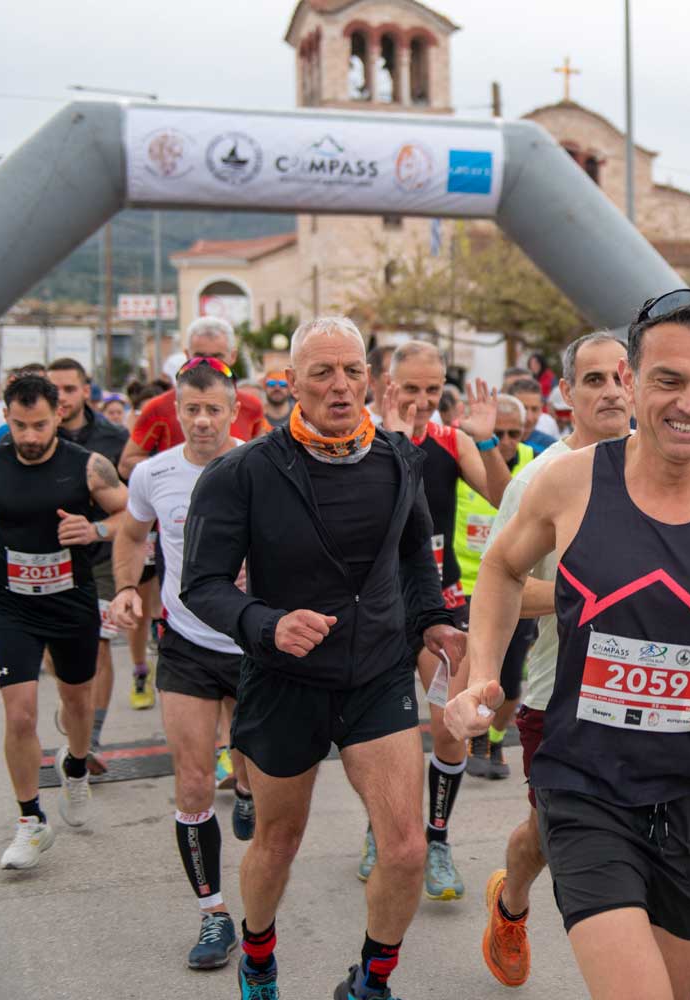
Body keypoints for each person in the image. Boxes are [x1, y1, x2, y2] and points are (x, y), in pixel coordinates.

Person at [443, 288, 690, 1000]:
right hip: (584, 783)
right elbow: (500, 569)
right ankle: (516, 901)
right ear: (631, 379)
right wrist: (480, 675)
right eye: (669, 380)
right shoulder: (567, 482)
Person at [179, 316, 465, 1000]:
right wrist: (267, 624)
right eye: (322, 373)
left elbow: (413, 553)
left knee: (405, 847)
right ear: (292, 383)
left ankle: (371, 982)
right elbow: (202, 585)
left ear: (369, 379)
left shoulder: (398, 458)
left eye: (352, 372)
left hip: (377, 675)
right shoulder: (241, 472)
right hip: (286, 679)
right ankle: (258, 956)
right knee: (278, 841)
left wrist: (431, 619)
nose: (340, 386)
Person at [476, 330, 632, 987]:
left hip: (648, 692)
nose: (612, 392)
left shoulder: (667, 468)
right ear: (565, 393)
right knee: (549, 832)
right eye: (594, 380)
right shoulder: (539, 479)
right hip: (558, 694)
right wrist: (594, 595)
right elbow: (500, 587)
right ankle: (510, 903)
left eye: (621, 377)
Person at [107, 356, 256, 969]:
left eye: (213, 409)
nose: (201, 421)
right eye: (191, 409)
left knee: (253, 768)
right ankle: (213, 914)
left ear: (233, 410)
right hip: (187, 644)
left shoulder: (262, 465)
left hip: (253, 643)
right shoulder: (153, 473)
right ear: (176, 410)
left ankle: (245, 787)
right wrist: (125, 588)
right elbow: (130, 534)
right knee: (193, 781)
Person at [0, 374, 129, 869]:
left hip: (71, 604)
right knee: (20, 714)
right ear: (7, 417)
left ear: (59, 416)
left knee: (77, 703)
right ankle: (30, 821)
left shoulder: (88, 466)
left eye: (40, 425)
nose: (29, 436)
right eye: (20, 425)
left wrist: (95, 528)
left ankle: (75, 765)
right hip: (12, 607)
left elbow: (133, 516)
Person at [355, 341, 510, 901]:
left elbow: (506, 499)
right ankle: (380, 830)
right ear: (384, 385)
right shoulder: (360, 440)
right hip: (375, 613)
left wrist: (486, 440)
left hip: (437, 609)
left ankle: (438, 840)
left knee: (450, 729)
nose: (421, 401)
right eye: (410, 388)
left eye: (432, 389)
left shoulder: (451, 440)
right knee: (378, 738)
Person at [45, 358, 130, 765]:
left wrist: (97, 529)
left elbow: (133, 507)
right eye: (55, 389)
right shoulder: (31, 433)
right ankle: (74, 703)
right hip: (47, 560)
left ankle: (91, 739)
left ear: (85, 391)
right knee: (55, 653)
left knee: (98, 645)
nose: (61, 397)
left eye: (69, 388)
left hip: (100, 558)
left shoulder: (114, 437)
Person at [453, 393, 537, 781]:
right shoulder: (464, 462)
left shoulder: (536, 463)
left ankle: (496, 737)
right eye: (497, 433)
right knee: (477, 674)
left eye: (512, 434)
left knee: (513, 682)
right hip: (467, 587)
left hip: (518, 587)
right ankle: (475, 739)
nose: (505, 441)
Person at [119, 317, 268, 477]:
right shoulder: (159, 406)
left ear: (233, 356)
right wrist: (176, 472)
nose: (208, 365)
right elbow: (126, 464)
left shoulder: (252, 405)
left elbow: (261, 459)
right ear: (187, 355)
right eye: (199, 357)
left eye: (217, 357)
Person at [507, 376, 559, 452]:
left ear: (541, 409)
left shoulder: (550, 447)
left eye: (535, 409)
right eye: (523, 409)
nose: (529, 418)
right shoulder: (493, 443)